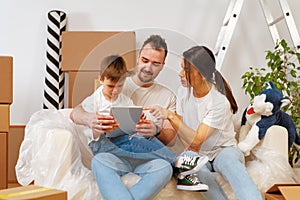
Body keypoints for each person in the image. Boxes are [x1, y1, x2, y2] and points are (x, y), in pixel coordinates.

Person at [70, 52, 208, 199]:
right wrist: (96, 124)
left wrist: (141, 121)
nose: (115, 91)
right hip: (104, 145)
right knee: (123, 146)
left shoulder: (126, 100)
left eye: (120, 86)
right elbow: (77, 115)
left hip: (129, 147)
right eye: (111, 86)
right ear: (101, 80)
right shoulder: (94, 100)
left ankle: (178, 167)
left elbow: (138, 123)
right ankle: (178, 161)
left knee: (142, 140)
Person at [149, 46, 263, 200]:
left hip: (223, 150)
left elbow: (197, 139)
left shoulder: (219, 102)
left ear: (201, 74)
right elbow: (185, 135)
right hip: (198, 153)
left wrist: (169, 115)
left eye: (186, 70)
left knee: (230, 163)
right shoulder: (183, 92)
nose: (180, 74)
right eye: (181, 68)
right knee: (186, 161)